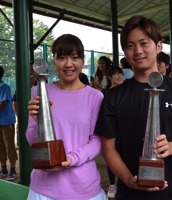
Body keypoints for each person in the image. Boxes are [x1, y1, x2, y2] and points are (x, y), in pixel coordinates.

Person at [95, 15, 172, 200]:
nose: (138, 51)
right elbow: (108, 147)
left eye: (144, 43)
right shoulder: (113, 96)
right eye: (130, 45)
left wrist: (170, 147)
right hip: (130, 192)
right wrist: (128, 179)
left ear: (158, 46)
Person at [26, 34, 107, 200]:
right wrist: (38, 123)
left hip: (84, 189)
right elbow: (31, 139)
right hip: (43, 189)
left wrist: (70, 159)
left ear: (82, 61)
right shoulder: (40, 90)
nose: (69, 64)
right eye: (62, 57)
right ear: (54, 61)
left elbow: (97, 141)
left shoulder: (95, 96)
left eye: (75, 57)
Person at [0, 64, 18, 181]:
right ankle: (3, 169)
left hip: (7, 122)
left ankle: (13, 170)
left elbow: (3, 103)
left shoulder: (4, 86)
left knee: (9, 146)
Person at [101, 66, 124, 198]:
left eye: (120, 73)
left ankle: (122, 183)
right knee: (111, 158)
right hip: (110, 131)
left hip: (125, 131)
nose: (119, 76)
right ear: (109, 78)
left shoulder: (128, 91)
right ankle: (112, 184)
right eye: (116, 74)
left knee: (124, 158)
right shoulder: (103, 94)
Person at [12, 62, 38, 145]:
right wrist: (20, 119)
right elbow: (14, 104)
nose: (30, 71)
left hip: (36, 120)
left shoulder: (42, 84)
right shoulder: (21, 85)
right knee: (22, 142)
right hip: (24, 119)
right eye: (28, 69)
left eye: (32, 69)